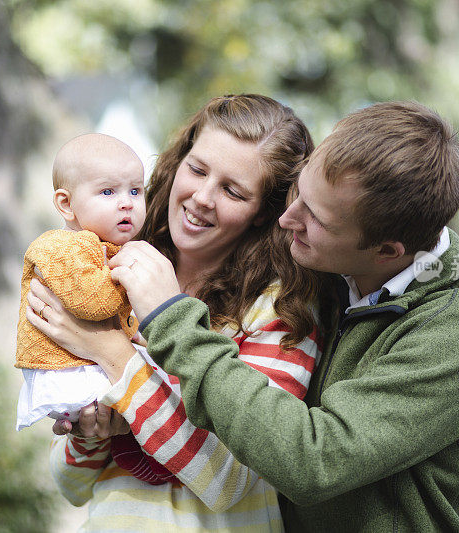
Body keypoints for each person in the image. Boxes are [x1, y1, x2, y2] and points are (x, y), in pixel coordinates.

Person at [39, 101, 459, 532]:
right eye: (296, 195)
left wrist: (130, 343)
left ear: (387, 250)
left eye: (316, 219)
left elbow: (309, 460)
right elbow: (74, 479)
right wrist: (96, 420)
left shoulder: (458, 333)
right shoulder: (333, 278)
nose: (288, 220)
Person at [27, 94, 326, 530]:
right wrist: (91, 431)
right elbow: (70, 484)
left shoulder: (281, 308)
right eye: (198, 169)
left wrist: (111, 353)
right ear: (179, 160)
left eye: (232, 190)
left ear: (264, 213)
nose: (202, 197)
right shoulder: (110, 270)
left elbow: (228, 480)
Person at [15, 133, 175, 484]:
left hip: (84, 364)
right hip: (66, 370)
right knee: (160, 387)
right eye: (108, 192)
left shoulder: (104, 247)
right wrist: (131, 280)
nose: (126, 203)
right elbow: (91, 302)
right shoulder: (64, 247)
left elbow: (120, 324)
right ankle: (152, 460)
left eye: (135, 191)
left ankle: (150, 456)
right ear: (66, 204)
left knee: (158, 383)